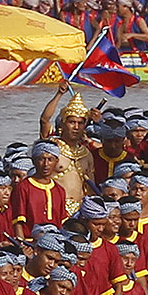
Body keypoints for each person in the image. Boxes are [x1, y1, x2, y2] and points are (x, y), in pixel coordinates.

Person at [39, 88, 95, 216]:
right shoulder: (52, 147)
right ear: (63, 124)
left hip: (80, 211)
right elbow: (44, 120)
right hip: (55, 208)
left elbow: (90, 188)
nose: (76, 127)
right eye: (72, 122)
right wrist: (59, 94)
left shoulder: (87, 154)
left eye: (80, 123)